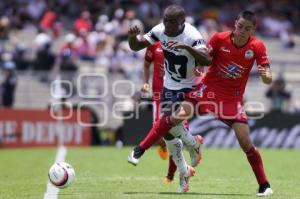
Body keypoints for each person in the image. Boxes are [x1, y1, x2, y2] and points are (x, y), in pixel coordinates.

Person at [135, 10, 274, 196]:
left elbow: (267, 76)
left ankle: (264, 185)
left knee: (246, 143)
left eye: (247, 28)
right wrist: (200, 67)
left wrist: (267, 77)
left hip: (231, 99)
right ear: (235, 24)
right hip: (207, 90)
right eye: (240, 26)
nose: (242, 31)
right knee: (174, 116)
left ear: (253, 29)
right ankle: (142, 149)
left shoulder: (257, 46)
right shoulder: (219, 38)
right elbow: (205, 58)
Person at [127, 4, 211, 192]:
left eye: (171, 22)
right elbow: (137, 47)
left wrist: (187, 48)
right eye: (165, 20)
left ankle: (140, 149)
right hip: (171, 85)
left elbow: (207, 59)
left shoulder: (192, 34)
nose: (167, 24)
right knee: (168, 133)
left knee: (172, 120)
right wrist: (132, 37)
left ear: (183, 21)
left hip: (193, 85)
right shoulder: (159, 30)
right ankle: (188, 160)